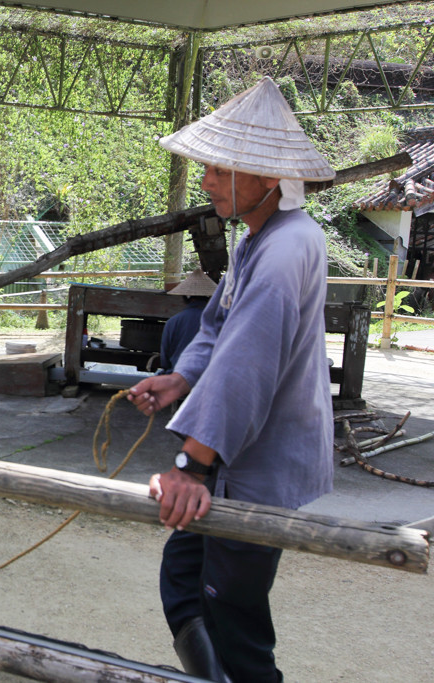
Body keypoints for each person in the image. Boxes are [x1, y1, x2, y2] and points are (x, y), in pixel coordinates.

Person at [127, 77, 335, 682]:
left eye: (220, 169)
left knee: (236, 623)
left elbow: (249, 360)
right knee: (185, 581)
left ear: (268, 177)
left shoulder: (285, 249)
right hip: (238, 458)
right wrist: (181, 376)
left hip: (258, 464)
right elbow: (218, 325)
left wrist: (190, 465)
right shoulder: (258, 240)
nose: (208, 181)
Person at [159, 269, 217, 373]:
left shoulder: (173, 322)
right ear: (210, 298)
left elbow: (165, 360)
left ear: (185, 298)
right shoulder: (218, 321)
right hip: (209, 375)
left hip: (177, 373)